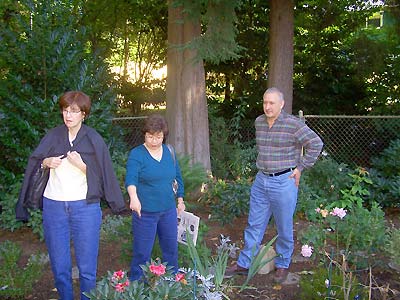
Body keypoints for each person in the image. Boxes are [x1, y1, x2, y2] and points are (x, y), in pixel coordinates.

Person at [16, 91, 126, 300]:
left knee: (87, 267)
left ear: (84, 114)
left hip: (84, 208)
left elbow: (105, 176)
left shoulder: (93, 139)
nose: (68, 115)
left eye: (74, 111)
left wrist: (83, 167)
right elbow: (35, 161)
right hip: (54, 207)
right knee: (59, 266)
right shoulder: (53, 136)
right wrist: (45, 162)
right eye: (65, 110)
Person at [225, 87, 323, 283]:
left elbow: (316, 143)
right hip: (261, 180)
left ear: (282, 104)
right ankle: (245, 263)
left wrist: (301, 167)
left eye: (272, 103)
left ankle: (282, 264)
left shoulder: (293, 124)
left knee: (284, 226)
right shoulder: (259, 122)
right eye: (265, 102)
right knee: (254, 224)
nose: (267, 107)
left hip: (283, 182)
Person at [125, 114, 185, 281]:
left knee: (171, 250)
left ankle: (172, 284)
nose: (154, 141)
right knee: (142, 252)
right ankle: (137, 287)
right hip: (145, 213)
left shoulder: (169, 152)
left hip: (168, 212)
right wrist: (133, 197)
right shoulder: (137, 154)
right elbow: (131, 178)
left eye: (158, 137)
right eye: (150, 136)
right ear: (145, 134)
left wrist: (180, 199)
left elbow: (177, 177)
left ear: (163, 136)